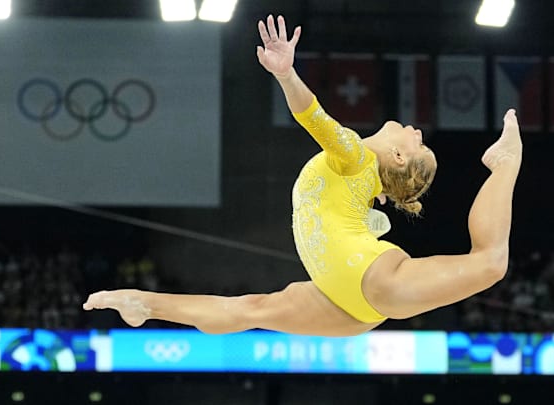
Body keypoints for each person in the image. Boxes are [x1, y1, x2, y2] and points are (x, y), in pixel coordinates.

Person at [83, 15, 523, 337]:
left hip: (367, 284)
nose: (417, 131)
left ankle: (505, 161)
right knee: (249, 310)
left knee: (490, 263)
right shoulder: (362, 179)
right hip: (348, 300)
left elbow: (314, 116)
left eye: (417, 143)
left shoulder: (356, 156)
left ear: (399, 158)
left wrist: (286, 74)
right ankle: (142, 304)